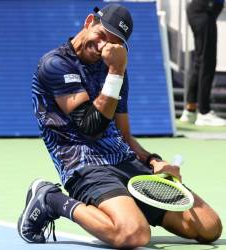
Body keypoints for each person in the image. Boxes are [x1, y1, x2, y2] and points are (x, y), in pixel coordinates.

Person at [18, 4, 222, 248]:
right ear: (89, 22)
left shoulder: (114, 68)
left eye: (114, 42)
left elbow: (124, 136)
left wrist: (153, 161)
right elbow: (90, 126)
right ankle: (51, 200)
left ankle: (126, 206)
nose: (105, 46)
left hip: (125, 163)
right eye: (101, 35)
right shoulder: (55, 64)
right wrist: (116, 70)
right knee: (134, 235)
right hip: (84, 166)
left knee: (209, 227)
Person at [180, 0, 226, 126]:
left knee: (201, 61)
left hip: (201, 10)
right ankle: (204, 112)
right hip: (204, 10)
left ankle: (190, 109)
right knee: (207, 62)